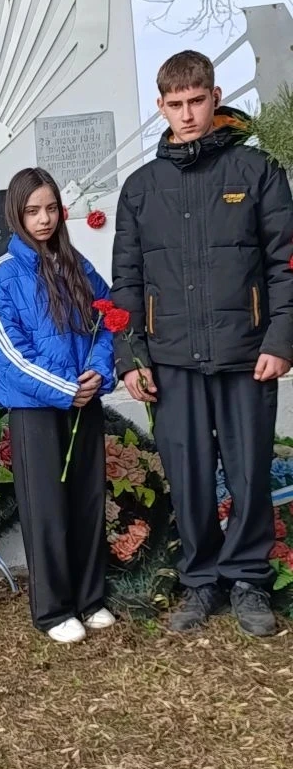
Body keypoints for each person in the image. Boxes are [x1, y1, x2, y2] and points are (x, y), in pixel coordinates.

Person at [112, 50, 293, 636]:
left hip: (247, 355)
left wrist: (281, 338)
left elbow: (285, 264)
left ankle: (248, 580)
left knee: (248, 474)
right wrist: (131, 357)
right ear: (160, 107)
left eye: (197, 101)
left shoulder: (258, 172)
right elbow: (126, 283)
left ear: (215, 98)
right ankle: (199, 581)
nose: (187, 114)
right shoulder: (140, 189)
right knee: (187, 477)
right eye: (176, 104)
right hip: (171, 361)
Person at [0, 167, 116, 644]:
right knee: (47, 508)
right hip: (37, 409)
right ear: (15, 213)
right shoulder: (1, 274)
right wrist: (62, 388)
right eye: (33, 210)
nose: (44, 219)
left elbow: (108, 319)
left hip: (83, 401)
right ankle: (53, 609)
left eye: (51, 208)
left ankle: (90, 598)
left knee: (87, 500)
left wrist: (97, 370)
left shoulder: (76, 264)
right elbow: (7, 353)